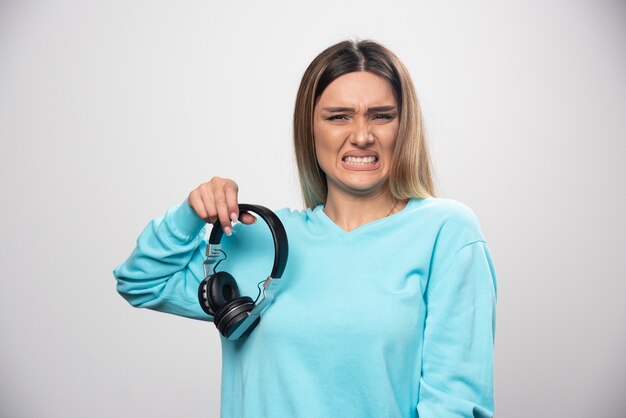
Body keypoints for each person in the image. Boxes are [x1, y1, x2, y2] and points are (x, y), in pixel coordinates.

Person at [113, 39, 497, 418]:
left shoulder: (445, 233)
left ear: (404, 127)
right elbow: (141, 281)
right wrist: (191, 213)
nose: (362, 135)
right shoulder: (260, 239)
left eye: (381, 116)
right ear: (309, 130)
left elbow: (455, 406)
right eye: (338, 116)